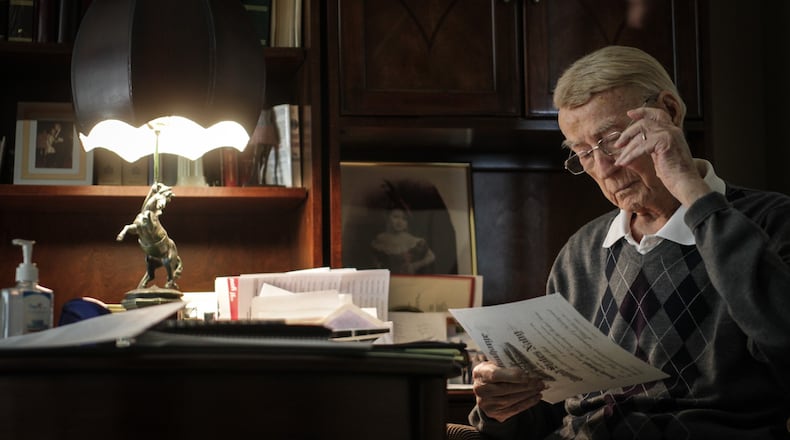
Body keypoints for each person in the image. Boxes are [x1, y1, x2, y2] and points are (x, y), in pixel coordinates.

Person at [469, 45, 790, 439]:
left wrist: (689, 188)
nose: (603, 170)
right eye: (584, 153)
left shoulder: (772, 222)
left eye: (614, 140)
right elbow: (548, 419)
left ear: (669, 113)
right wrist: (503, 406)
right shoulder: (582, 252)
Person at [371, 206, 436, 274]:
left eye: (404, 219)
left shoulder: (414, 241)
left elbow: (431, 256)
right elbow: (375, 259)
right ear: (387, 218)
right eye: (396, 217)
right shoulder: (380, 239)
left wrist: (415, 266)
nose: (400, 222)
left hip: (407, 279)